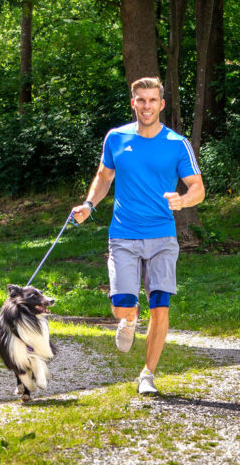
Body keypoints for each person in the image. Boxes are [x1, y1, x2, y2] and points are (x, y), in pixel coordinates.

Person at [71, 76, 205, 395]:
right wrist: (89, 204)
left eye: (152, 100)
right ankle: (129, 319)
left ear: (161, 104)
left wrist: (183, 200)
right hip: (124, 235)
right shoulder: (116, 139)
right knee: (121, 305)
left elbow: (198, 188)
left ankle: (147, 374)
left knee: (160, 306)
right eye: (140, 100)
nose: (147, 106)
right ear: (133, 103)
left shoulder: (176, 143)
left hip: (161, 236)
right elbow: (104, 177)